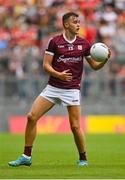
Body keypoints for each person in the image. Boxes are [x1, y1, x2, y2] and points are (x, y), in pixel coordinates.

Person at [8, 12, 110, 167]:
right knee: (31, 117)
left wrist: (105, 60)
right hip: (53, 87)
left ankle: (83, 159)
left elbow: (95, 66)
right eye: (75, 22)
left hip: (72, 90)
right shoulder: (54, 42)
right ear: (66, 24)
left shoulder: (84, 44)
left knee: (75, 126)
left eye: (79, 21)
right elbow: (46, 65)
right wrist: (58, 75)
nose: (78, 24)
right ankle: (26, 156)